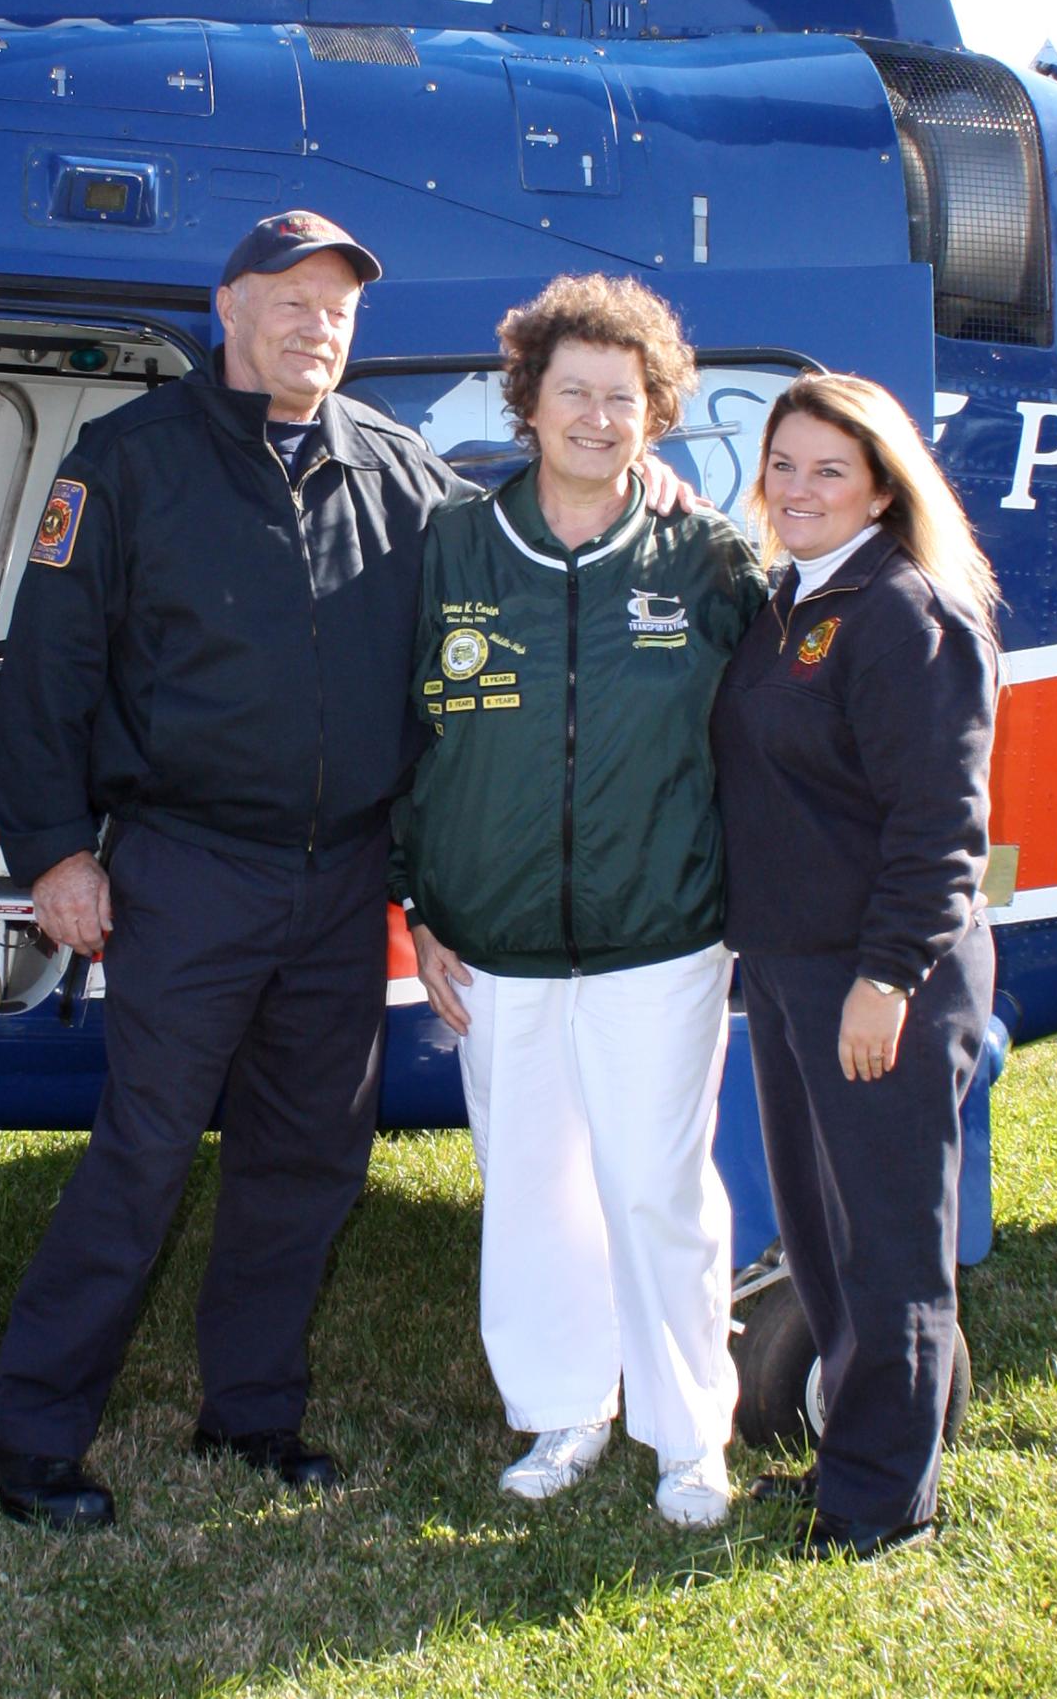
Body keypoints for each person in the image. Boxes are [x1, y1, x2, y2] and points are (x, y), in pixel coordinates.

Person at [0, 212, 692, 1529]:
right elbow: (50, 673)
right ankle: (25, 1437)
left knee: (308, 1158)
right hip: (190, 867)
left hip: (343, 879)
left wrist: (648, 493)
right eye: (293, 299)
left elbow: (520, 545)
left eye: (340, 305)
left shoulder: (396, 469)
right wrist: (57, 849)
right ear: (229, 304)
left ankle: (250, 1414)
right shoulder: (128, 463)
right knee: (139, 1157)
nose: (319, 325)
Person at [398, 275, 764, 1530]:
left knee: (658, 1185)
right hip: (493, 940)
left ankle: (688, 1432)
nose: (598, 420)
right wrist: (420, 900)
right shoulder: (452, 545)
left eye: (624, 398)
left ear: (656, 413)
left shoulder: (708, 556)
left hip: (658, 934)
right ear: (529, 403)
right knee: (531, 1182)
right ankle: (565, 1408)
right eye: (575, 395)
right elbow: (406, 739)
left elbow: (774, 735)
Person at [711, 370, 999, 1560]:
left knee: (890, 1246)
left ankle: (887, 1505)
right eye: (783, 465)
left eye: (831, 468)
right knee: (822, 1237)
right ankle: (854, 1462)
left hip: (877, 978)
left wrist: (888, 978)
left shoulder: (904, 612)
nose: (799, 489)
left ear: (884, 485)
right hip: (787, 968)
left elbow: (941, 827)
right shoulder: (795, 598)